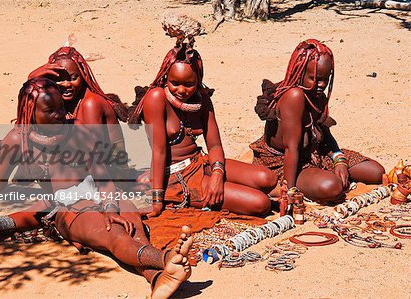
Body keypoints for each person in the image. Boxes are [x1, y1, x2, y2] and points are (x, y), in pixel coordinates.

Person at [0, 77, 192, 298]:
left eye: (61, 107)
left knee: (134, 230)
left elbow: (103, 178)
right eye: (50, 110)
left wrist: (110, 208)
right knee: (114, 235)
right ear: (30, 112)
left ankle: (158, 277)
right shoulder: (18, 140)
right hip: (68, 208)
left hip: (104, 193)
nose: (60, 114)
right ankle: (165, 259)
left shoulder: (78, 129)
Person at [0, 46, 130, 227]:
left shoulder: (89, 105)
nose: (66, 84)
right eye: (59, 80)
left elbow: (95, 164)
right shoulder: (60, 103)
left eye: (73, 78)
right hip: (76, 177)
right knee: (16, 142)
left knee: (40, 206)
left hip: (105, 176)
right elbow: (31, 102)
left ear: (84, 76)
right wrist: (33, 76)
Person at [128, 30, 277, 218]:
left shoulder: (202, 99)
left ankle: (288, 196)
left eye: (189, 84)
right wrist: (156, 201)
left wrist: (216, 175)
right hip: (175, 176)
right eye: (174, 83)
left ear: (198, 80)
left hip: (200, 162)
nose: (181, 90)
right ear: (165, 77)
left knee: (267, 177)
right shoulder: (156, 98)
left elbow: (214, 144)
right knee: (260, 203)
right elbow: (159, 152)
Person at [250, 39, 385, 204]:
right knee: (332, 187)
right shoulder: (294, 96)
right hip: (284, 164)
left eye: (325, 79)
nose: (321, 85)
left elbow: (325, 134)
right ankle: (306, 181)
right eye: (313, 78)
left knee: (377, 172)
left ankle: (322, 173)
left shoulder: (316, 94)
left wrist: (339, 159)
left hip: (314, 154)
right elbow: (291, 148)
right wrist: (290, 192)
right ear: (300, 74)